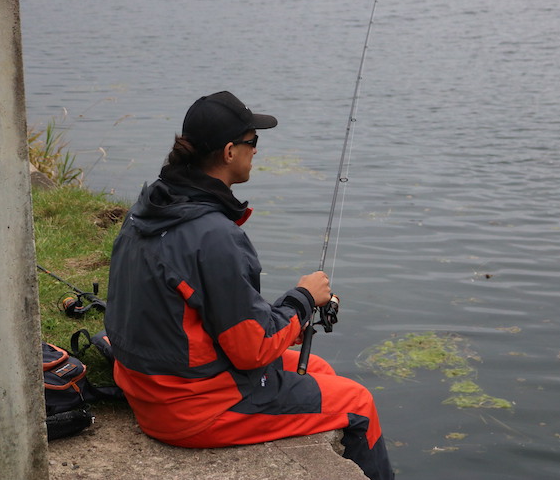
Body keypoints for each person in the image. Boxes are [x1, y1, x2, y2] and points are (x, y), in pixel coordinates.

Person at [104, 91, 394, 480]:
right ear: (229, 152)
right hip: (191, 407)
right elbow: (251, 349)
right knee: (358, 403)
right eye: (252, 141)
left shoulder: (152, 208)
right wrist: (303, 300)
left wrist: (290, 316)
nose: (255, 150)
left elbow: (212, 318)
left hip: (150, 386)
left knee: (319, 368)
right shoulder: (214, 235)